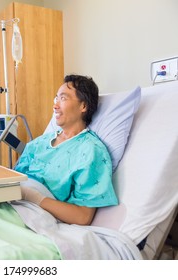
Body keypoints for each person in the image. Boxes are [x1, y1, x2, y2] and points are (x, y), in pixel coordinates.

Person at [15, 74, 118, 225]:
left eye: (63, 98)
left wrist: (35, 198)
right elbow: (14, 178)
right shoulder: (39, 143)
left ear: (83, 106)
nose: (55, 105)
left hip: (34, 216)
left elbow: (83, 216)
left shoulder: (90, 151)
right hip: (11, 204)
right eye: (56, 99)